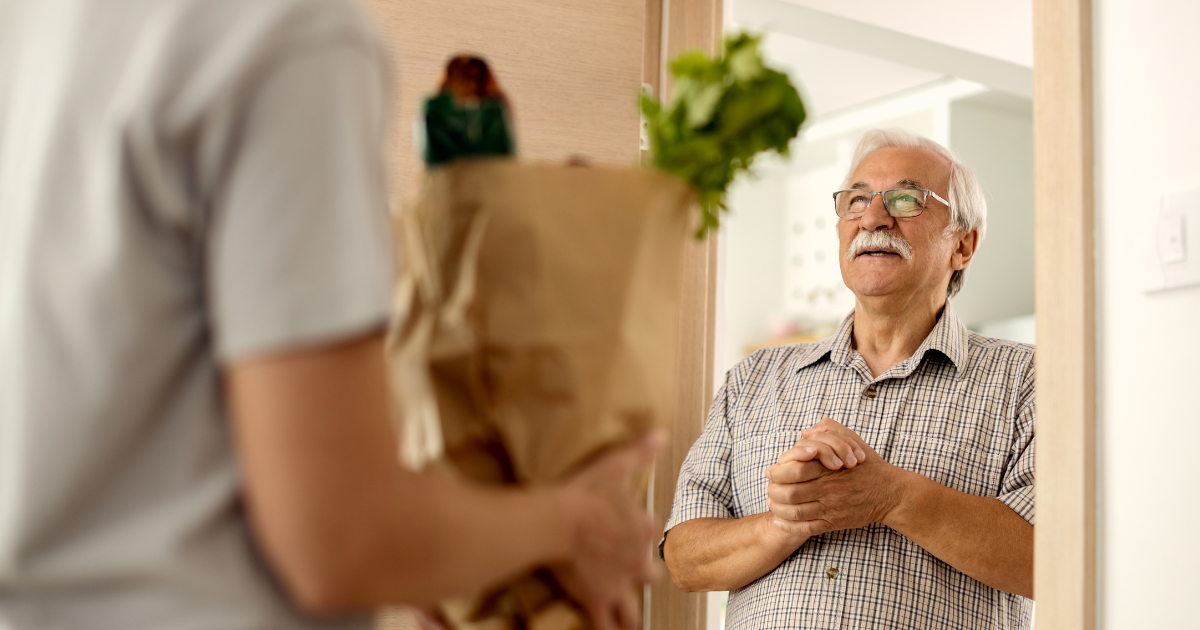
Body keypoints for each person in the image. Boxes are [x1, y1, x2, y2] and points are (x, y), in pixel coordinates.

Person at [0, 0, 659, 629]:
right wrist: (573, 527)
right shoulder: (287, 34)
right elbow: (343, 537)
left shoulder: (39, 23)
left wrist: (445, 551)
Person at [661, 128, 1035, 629]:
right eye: (857, 199)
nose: (873, 218)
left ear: (963, 245)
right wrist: (790, 519)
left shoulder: (1028, 380)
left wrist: (893, 496)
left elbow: (1053, 560)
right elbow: (684, 558)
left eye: (906, 199)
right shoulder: (752, 380)